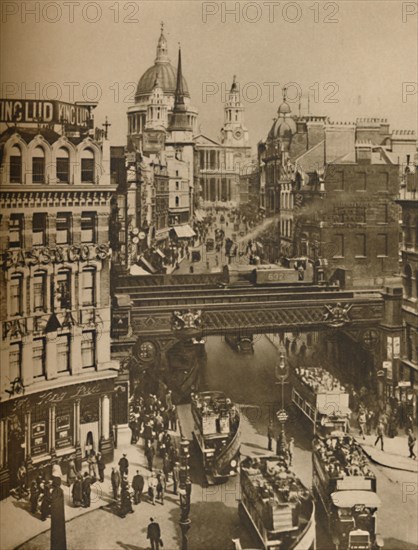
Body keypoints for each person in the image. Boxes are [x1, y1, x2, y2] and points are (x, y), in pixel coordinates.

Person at [51, 474, 67, 550]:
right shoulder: (60, 491)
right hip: (60, 516)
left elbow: (53, 503)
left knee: (55, 535)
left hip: (56, 517)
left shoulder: (55, 492)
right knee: (61, 534)